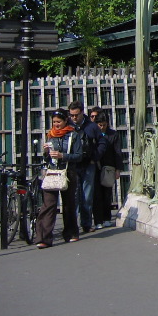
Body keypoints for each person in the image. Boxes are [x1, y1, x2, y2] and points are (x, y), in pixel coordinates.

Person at [35, 109, 84, 248]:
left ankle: (71, 233)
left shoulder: (73, 135)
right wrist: (45, 153)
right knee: (48, 204)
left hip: (68, 172)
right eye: (54, 122)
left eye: (59, 122)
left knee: (68, 204)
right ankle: (44, 238)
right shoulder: (50, 135)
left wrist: (63, 156)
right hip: (52, 172)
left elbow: (79, 155)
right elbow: (47, 158)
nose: (56, 124)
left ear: (65, 121)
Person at [68, 100, 98, 233]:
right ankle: (73, 225)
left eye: (76, 115)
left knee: (87, 195)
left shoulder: (91, 126)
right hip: (73, 164)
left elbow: (102, 142)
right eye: (72, 115)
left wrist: (95, 157)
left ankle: (86, 223)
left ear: (82, 113)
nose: (74, 118)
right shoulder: (68, 126)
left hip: (87, 164)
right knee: (73, 196)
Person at [92, 112, 122, 229]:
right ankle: (98, 220)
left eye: (104, 125)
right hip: (96, 166)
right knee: (97, 194)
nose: (102, 127)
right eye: (100, 125)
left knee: (107, 193)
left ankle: (107, 218)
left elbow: (117, 152)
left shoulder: (113, 135)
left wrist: (118, 169)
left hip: (109, 167)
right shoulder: (93, 134)